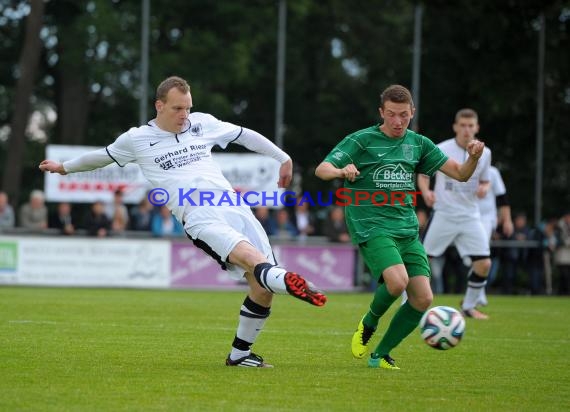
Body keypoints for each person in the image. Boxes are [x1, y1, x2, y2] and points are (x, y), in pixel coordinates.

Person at [39, 75, 327, 368]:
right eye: (178, 109)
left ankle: (241, 354)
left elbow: (244, 134)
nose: (184, 115)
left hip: (234, 207)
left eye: (188, 108)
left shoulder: (202, 123)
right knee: (254, 260)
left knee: (262, 286)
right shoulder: (137, 139)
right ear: (159, 105)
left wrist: (283, 157)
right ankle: (293, 282)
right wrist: (64, 167)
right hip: (199, 215)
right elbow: (102, 157)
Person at [315, 85, 485, 370]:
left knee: (423, 298)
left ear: (412, 113)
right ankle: (368, 323)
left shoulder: (418, 144)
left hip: (406, 229)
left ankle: (379, 355)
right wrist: (342, 170)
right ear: (382, 112)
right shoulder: (362, 140)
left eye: (404, 115)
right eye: (391, 115)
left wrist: (474, 157)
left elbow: (461, 173)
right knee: (397, 282)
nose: (397, 121)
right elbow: (322, 169)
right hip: (371, 225)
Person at [418, 108, 492, 320]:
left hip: (470, 215)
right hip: (444, 213)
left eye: (471, 126)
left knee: (484, 263)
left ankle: (468, 306)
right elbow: (423, 174)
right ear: (455, 127)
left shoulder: (485, 153)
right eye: (463, 125)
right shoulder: (442, 148)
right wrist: (426, 191)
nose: (467, 130)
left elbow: (485, 180)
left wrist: (484, 189)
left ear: (476, 128)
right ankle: (408, 302)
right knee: (422, 259)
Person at [476, 165, 514, 304]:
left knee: (480, 253)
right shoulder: (462, 168)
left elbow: (502, 197)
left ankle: (479, 293)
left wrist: (507, 220)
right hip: (466, 216)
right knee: (471, 259)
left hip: (486, 219)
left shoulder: (492, 172)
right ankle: (477, 291)